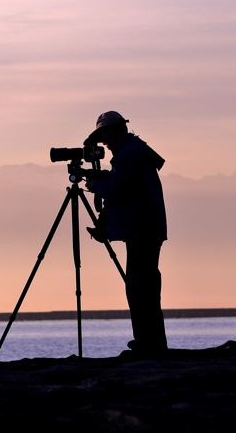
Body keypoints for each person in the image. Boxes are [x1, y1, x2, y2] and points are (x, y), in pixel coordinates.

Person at [84, 111, 169, 355]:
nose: (105, 145)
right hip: (145, 229)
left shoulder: (129, 154)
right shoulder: (134, 150)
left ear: (113, 132)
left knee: (140, 288)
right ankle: (151, 342)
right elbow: (128, 185)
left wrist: (96, 185)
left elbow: (119, 190)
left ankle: (148, 344)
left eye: (105, 139)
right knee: (144, 287)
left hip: (142, 230)